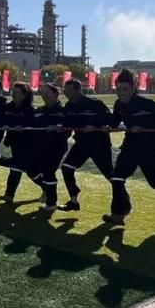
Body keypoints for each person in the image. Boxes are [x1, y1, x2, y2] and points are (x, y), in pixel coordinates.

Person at [105, 69, 155, 226]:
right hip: (130, 146)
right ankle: (118, 214)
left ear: (133, 88)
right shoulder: (118, 105)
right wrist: (105, 125)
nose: (121, 93)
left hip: (151, 147)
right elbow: (114, 122)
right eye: (118, 89)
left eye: (125, 89)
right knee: (117, 178)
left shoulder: (148, 104)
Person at [59, 77, 116, 212]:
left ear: (78, 90)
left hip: (99, 144)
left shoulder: (95, 103)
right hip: (81, 144)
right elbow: (67, 126)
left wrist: (96, 126)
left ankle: (123, 201)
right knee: (66, 168)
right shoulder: (69, 106)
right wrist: (60, 129)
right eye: (65, 91)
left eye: (69, 91)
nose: (67, 94)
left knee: (110, 175)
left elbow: (111, 121)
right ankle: (73, 201)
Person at [32, 83, 69, 212]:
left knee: (48, 172)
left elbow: (68, 129)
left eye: (47, 92)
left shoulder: (63, 111)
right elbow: (31, 126)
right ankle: (47, 190)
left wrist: (59, 128)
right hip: (39, 146)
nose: (44, 95)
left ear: (55, 93)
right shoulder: (38, 111)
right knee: (31, 170)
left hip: (56, 147)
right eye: (42, 93)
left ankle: (51, 203)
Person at [1, 82, 37, 205]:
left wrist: (22, 127)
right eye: (13, 92)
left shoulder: (30, 109)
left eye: (17, 93)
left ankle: (9, 194)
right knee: (26, 168)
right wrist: (4, 125)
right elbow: (2, 120)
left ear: (25, 95)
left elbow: (32, 126)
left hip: (26, 142)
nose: (13, 95)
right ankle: (47, 188)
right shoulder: (8, 107)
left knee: (18, 166)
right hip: (13, 141)